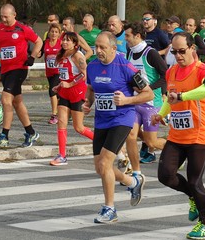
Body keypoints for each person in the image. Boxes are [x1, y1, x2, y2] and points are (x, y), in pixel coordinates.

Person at [151, 32, 205, 239]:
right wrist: (160, 114)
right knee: (165, 175)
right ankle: (192, 197)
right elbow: (171, 99)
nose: (178, 55)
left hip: (198, 135)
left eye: (182, 51)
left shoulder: (204, 69)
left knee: (195, 181)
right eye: (174, 51)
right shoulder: (171, 72)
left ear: (192, 49)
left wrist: (183, 96)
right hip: (177, 135)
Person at [83, 32, 152, 223]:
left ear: (114, 48)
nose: (98, 51)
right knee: (100, 168)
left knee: (105, 164)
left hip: (122, 119)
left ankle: (110, 209)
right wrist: (88, 103)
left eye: (102, 47)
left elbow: (148, 94)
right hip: (102, 120)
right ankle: (133, 182)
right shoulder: (92, 66)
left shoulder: (125, 67)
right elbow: (91, 88)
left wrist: (127, 100)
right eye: (96, 47)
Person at [0, 4, 43, 148]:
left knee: (6, 99)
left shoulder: (22, 29)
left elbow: (39, 41)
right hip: (5, 69)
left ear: (14, 14)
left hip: (19, 68)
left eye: (6, 16)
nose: (4, 19)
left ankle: (4, 136)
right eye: (2, 16)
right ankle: (31, 133)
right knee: (17, 102)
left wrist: (31, 57)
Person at [123, 22, 167, 166]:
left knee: (151, 142)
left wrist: (149, 88)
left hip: (151, 103)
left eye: (128, 36)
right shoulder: (130, 52)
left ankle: (176, 150)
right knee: (130, 135)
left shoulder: (151, 53)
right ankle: (133, 169)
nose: (125, 39)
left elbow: (166, 75)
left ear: (137, 35)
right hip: (135, 102)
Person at [50, 32, 94, 166]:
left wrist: (70, 84)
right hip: (64, 93)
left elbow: (84, 74)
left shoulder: (77, 56)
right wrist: (59, 86)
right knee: (61, 122)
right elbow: (65, 75)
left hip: (77, 92)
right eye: (63, 40)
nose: (64, 42)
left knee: (79, 127)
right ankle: (62, 155)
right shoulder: (61, 55)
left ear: (75, 44)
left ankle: (101, 141)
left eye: (68, 40)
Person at [43, 23, 63, 125]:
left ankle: (54, 115)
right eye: (52, 32)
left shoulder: (61, 43)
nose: (54, 34)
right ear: (49, 33)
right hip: (49, 72)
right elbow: (40, 53)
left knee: (52, 92)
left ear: (59, 34)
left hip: (58, 72)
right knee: (58, 94)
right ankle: (63, 113)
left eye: (56, 32)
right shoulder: (45, 42)